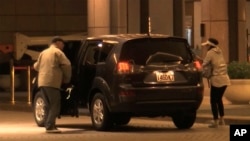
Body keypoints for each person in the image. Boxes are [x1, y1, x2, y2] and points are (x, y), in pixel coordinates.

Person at [33, 37, 71, 133]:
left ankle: (51, 125)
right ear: (57, 43)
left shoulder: (43, 52)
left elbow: (36, 66)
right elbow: (67, 65)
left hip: (42, 82)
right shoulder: (57, 52)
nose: (63, 46)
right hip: (52, 82)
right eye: (62, 44)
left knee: (48, 105)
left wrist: (44, 69)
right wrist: (67, 78)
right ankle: (50, 126)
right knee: (55, 105)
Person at [201, 38, 231, 128]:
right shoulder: (220, 51)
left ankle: (215, 121)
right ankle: (222, 119)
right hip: (225, 79)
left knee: (213, 100)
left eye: (207, 45)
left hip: (216, 79)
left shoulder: (210, 53)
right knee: (219, 99)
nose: (206, 47)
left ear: (210, 45)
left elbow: (204, 63)